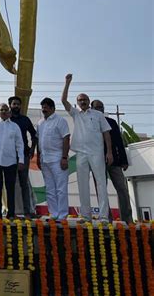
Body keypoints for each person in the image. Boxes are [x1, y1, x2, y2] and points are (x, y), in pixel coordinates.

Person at [62, 74, 113, 222]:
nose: (82, 102)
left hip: (97, 153)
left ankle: (103, 215)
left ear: (89, 101)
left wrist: (109, 152)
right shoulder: (76, 114)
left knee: (101, 183)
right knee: (82, 183)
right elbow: (63, 101)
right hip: (81, 153)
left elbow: (106, 134)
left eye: (85, 99)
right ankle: (86, 215)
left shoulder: (98, 115)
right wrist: (67, 83)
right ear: (77, 103)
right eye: (80, 100)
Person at [91, 100, 133, 223]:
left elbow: (119, 142)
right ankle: (106, 218)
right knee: (101, 190)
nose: (99, 109)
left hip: (114, 161)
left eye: (101, 107)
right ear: (92, 109)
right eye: (96, 107)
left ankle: (127, 218)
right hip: (97, 162)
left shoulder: (112, 122)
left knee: (122, 189)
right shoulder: (90, 124)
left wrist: (124, 161)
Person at [0, 94, 24, 218]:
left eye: (6, 109)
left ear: (9, 112)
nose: (3, 111)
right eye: (1, 109)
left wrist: (21, 160)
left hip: (11, 162)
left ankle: (11, 213)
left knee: (10, 188)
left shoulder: (15, 126)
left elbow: (20, 145)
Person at [36, 98, 71, 220]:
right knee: (50, 189)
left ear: (52, 108)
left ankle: (62, 216)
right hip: (44, 160)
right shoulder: (40, 123)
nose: (43, 109)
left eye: (46, 107)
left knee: (61, 189)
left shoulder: (60, 121)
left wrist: (64, 157)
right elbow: (38, 141)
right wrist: (38, 158)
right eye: (42, 107)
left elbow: (66, 139)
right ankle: (54, 214)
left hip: (58, 159)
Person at [8, 95, 37, 218]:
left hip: (23, 156)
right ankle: (11, 211)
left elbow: (34, 135)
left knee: (24, 184)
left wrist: (32, 149)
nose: (16, 106)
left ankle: (27, 211)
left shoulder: (25, 119)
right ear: (10, 105)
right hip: (8, 156)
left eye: (18, 104)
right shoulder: (6, 119)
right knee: (10, 184)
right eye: (14, 104)